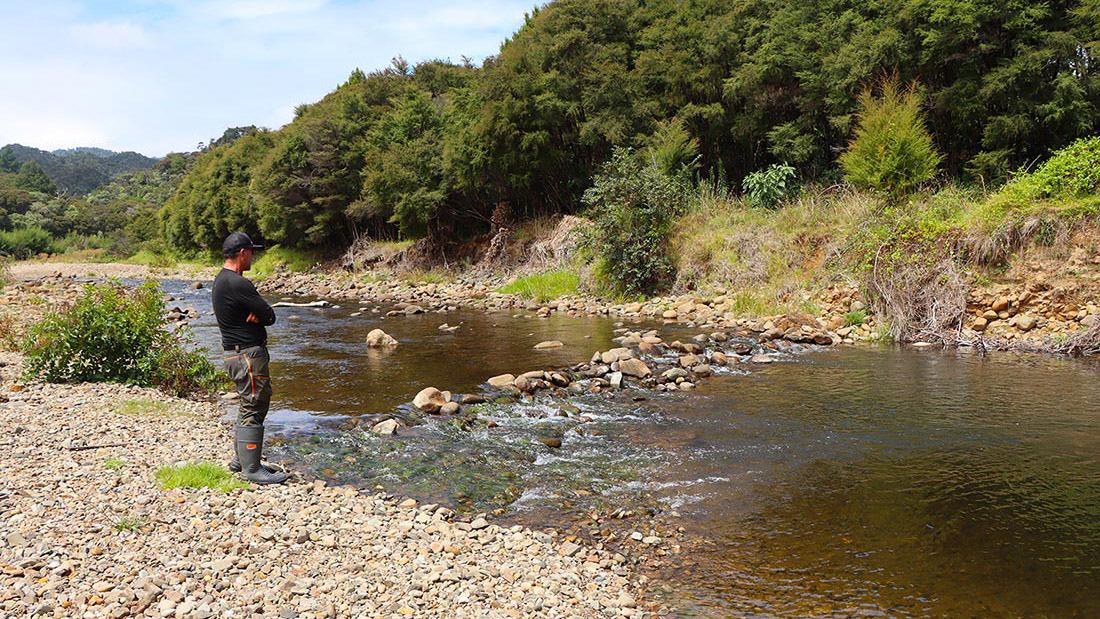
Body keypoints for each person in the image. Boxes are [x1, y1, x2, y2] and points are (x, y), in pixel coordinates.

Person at [212, 232, 287, 484]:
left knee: (247, 403)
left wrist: (257, 312)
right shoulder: (237, 283)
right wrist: (259, 313)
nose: (253, 256)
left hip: (234, 353)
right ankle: (251, 470)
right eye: (251, 251)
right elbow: (268, 315)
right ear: (242, 253)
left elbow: (262, 313)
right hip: (247, 355)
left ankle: (240, 461)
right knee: (255, 404)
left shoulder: (222, 280)